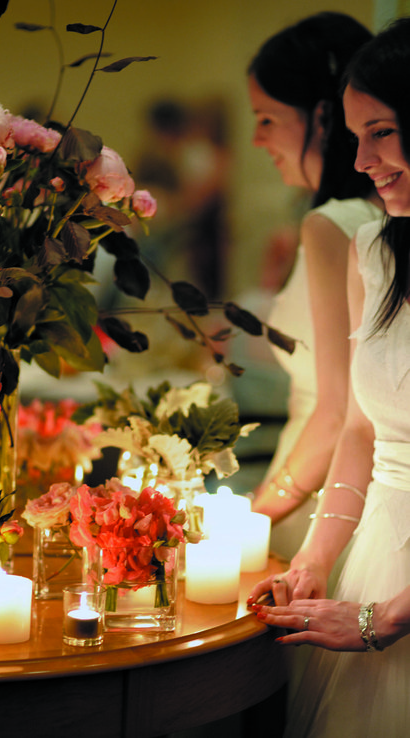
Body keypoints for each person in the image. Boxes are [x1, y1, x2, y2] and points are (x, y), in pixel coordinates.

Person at [248, 17, 410, 737]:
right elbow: (357, 428)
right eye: (353, 137)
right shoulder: (371, 251)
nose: (364, 160)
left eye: (381, 131)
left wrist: (385, 619)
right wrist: (315, 559)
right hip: (377, 549)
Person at [246, 12, 383, 560]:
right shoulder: (383, 219)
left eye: (267, 119)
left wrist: (254, 514)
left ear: (322, 117)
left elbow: (337, 413)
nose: (257, 139)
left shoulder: (333, 224)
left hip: (316, 494)